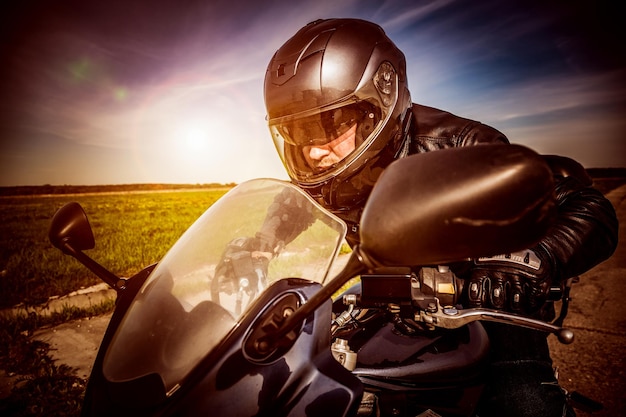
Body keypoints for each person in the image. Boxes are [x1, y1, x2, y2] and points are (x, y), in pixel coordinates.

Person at [254, 18, 618, 417]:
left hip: (488, 304)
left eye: (330, 125)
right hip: (390, 298)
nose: (314, 153)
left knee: (523, 404)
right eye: (299, 134)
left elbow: (589, 208)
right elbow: (293, 208)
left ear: (381, 99)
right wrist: (254, 250)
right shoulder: (327, 173)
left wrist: (531, 260)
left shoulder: (462, 147)